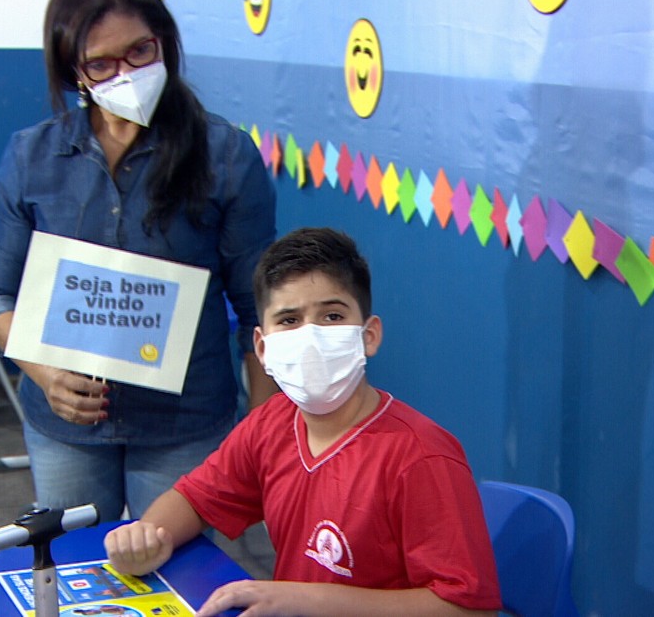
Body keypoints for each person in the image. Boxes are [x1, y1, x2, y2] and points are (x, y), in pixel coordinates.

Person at [0, 0, 277, 521]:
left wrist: (260, 434)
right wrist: (43, 371)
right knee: (72, 577)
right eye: (101, 63)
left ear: (164, 45)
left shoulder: (227, 156)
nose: (127, 72)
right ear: (75, 73)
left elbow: (259, 308)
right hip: (64, 425)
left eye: (141, 51)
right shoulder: (30, 158)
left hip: (186, 422)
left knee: (179, 584)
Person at [104, 228, 501, 616]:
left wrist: (308, 600)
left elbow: (467, 609)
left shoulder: (420, 456)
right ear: (262, 348)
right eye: (289, 320)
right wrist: (149, 535)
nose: (310, 336)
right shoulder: (270, 425)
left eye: (331, 315)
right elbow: (195, 499)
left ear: (369, 335)